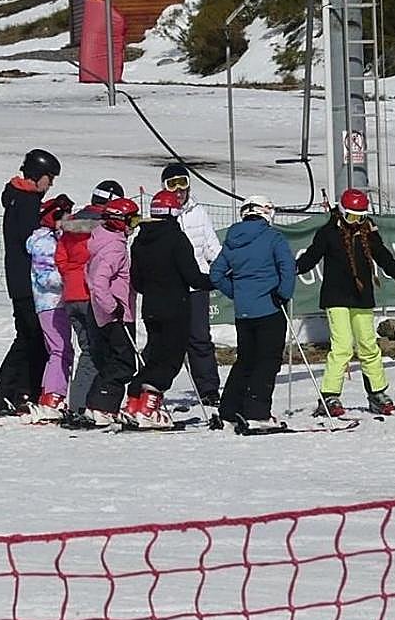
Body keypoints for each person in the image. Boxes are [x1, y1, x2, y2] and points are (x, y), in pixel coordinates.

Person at [296, 188, 395, 416]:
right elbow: (311, 257)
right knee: (342, 347)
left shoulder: (367, 231)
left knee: (368, 346)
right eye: (352, 216)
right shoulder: (328, 233)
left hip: (362, 298)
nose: (356, 222)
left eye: (361, 216)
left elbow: (383, 256)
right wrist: (294, 268)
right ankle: (330, 396)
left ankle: (377, 393)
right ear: (342, 212)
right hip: (336, 297)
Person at [0, 148, 61, 418]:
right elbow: (30, 242)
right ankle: (11, 392)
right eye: (49, 178)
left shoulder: (17, 197)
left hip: (20, 280)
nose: (50, 184)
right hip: (27, 282)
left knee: (30, 337)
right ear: (37, 176)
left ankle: (19, 391)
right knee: (30, 337)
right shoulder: (26, 201)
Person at [208, 195, 297, 431]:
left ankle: (229, 409)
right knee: (267, 362)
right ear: (266, 212)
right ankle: (257, 412)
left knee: (245, 361)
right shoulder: (272, 237)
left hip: (244, 313)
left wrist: (237, 293)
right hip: (269, 309)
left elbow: (216, 275)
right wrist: (282, 294)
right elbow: (288, 267)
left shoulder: (232, 240)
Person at [127, 190, 214, 428]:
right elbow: (193, 277)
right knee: (170, 360)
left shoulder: (140, 240)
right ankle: (148, 408)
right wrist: (216, 280)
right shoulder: (176, 238)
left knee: (154, 355)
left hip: (152, 308)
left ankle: (134, 402)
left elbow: (137, 282)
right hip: (176, 307)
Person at [56, 180, 125, 413]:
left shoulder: (71, 224)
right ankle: (83, 404)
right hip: (92, 295)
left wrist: (71, 277)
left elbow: (61, 258)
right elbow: (99, 261)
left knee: (87, 349)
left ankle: (84, 401)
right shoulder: (104, 226)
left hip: (71, 294)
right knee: (95, 353)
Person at [161, 163, 222, 406]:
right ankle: (154, 388)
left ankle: (208, 389)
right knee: (169, 341)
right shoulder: (162, 214)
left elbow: (211, 246)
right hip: (172, 287)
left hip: (196, 286)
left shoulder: (199, 212)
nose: (178, 191)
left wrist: (223, 265)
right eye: (172, 185)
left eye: (182, 184)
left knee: (199, 338)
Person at [82, 197, 141, 426]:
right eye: (131, 220)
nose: (133, 226)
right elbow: (98, 282)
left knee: (112, 361)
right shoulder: (114, 248)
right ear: (118, 221)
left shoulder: (103, 240)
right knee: (124, 363)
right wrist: (112, 306)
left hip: (104, 313)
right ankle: (101, 406)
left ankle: (101, 405)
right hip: (117, 315)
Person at [25, 194, 76, 418]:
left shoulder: (54, 239)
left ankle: (53, 394)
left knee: (62, 350)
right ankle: (53, 396)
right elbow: (46, 277)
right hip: (49, 303)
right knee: (60, 350)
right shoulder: (43, 242)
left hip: (58, 303)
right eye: (64, 217)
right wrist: (72, 276)